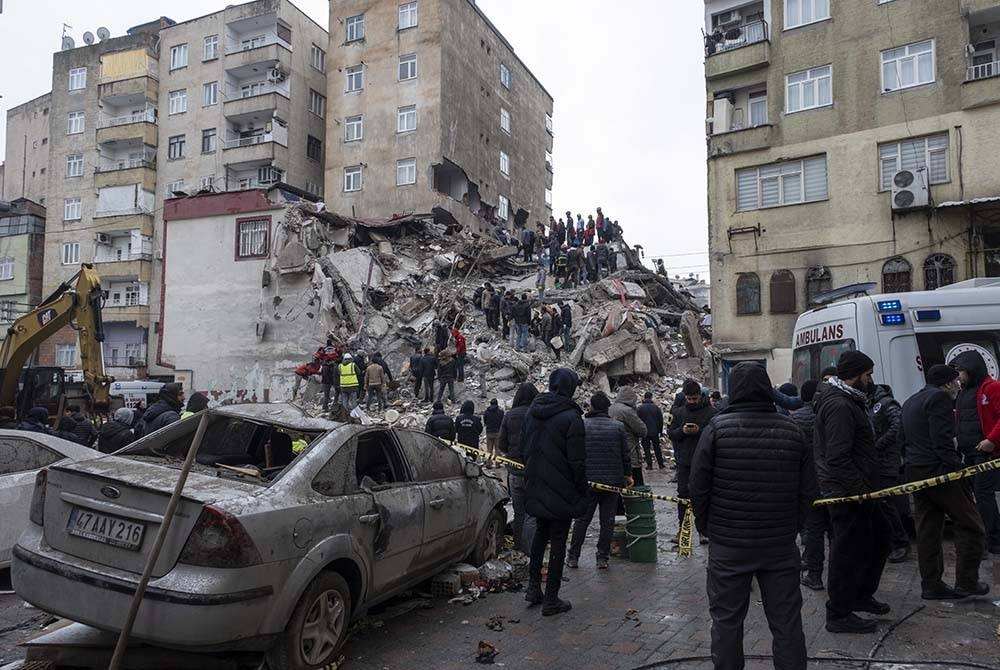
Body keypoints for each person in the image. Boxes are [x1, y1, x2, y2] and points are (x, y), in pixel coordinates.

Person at [690, 361, 815, 670]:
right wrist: (793, 528)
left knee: (727, 622)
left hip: (729, 546)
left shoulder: (717, 430)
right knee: (786, 622)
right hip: (779, 546)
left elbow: (698, 488)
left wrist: (707, 527)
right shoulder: (792, 430)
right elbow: (808, 491)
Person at [813, 351, 890, 633]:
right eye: (868, 375)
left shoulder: (849, 400)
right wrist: (859, 490)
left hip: (859, 490)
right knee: (846, 551)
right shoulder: (840, 406)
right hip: (846, 492)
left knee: (879, 539)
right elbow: (838, 457)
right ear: (856, 375)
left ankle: (860, 595)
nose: (871, 380)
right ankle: (838, 613)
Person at [900, 364, 989, 599]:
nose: (959, 385)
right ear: (948, 383)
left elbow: (903, 439)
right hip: (939, 472)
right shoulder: (939, 398)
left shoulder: (911, 401)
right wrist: (956, 471)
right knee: (971, 524)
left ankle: (931, 584)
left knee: (928, 529)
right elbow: (942, 440)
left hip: (915, 471)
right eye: (956, 381)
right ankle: (967, 581)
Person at [522, 368, 587, 616]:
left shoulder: (533, 412)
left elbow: (524, 447)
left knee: (541, 534)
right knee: (559, 540)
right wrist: (582, 489)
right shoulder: (571, 418)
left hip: (536, 485)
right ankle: (551, 599)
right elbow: (577, 462)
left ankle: (533, 588)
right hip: (562, 489)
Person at [567, 392, 631, 570]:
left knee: (582, 520)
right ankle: (602, 558)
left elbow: (575, 454)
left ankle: (573, 556)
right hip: (612, 483)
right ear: (607, 408)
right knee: (607, 521)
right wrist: (627, 476)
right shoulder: (618, 427)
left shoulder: (582, 425)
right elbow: (625, 455)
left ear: (591, 407)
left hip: (588, 482)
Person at [952, 350, 1000, 555]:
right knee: (975, 496)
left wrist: (991, 440)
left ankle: (995, 539)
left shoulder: (992, 388)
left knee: (983, 495)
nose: (959, 375)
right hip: (968, 452)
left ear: (972, 369)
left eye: (961, 371)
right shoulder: (963, 392)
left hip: (986, 453)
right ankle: (984, 536)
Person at [668, 379, 717, 538]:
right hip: (684, 462)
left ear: (700, 396)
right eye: (689, 399)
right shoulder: (678, 413)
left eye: (694, 399)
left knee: (705, 496)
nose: (692, 402)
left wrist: (699, 431)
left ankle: (704, 530)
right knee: (683, 496)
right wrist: (682, 431)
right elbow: (671, 434)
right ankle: (682, 530)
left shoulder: (711, 413)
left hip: (705, 462)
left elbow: (715, 435)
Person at [794, 380, 831, 592]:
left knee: (814, 530)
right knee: (835, 532)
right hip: (833, 482)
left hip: (810, 482)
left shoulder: (797, 418)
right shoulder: (829, 414)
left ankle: (814, 574)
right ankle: (838, 576)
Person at [868, 383, 910, 563]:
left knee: (887, 504)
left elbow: (898, 426)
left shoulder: (886, 403)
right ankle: (889, 542)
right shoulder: (870, 405)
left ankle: (900, 543)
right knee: (881, 505)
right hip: (877, 462)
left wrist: (879, 444)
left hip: (887, 461)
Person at [499, 383, 539, 553]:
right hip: (534, 471)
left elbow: (502, 444)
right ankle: (531, 551)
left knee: (519, 512)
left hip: (514, 472)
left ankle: (518, 548)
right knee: (532, 514)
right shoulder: (538, 415)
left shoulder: (510, 415)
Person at [608, 386, 647, 487]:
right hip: (630, 455)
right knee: (637, 488)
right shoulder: (627, 411)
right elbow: (642, 430)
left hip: (614, 456)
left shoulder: (610, 409)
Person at [637, 391, 666, 470]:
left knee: (646, 449)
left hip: (645, 432)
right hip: (655, 432)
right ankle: (661, 464)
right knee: (657, 448)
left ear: (644, 397)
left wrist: (639, 432)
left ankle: (649, 465)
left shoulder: (640, 408)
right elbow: (660, 420)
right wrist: (660, 431)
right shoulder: (656, 408)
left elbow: (637, 420)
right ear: (651, 397)